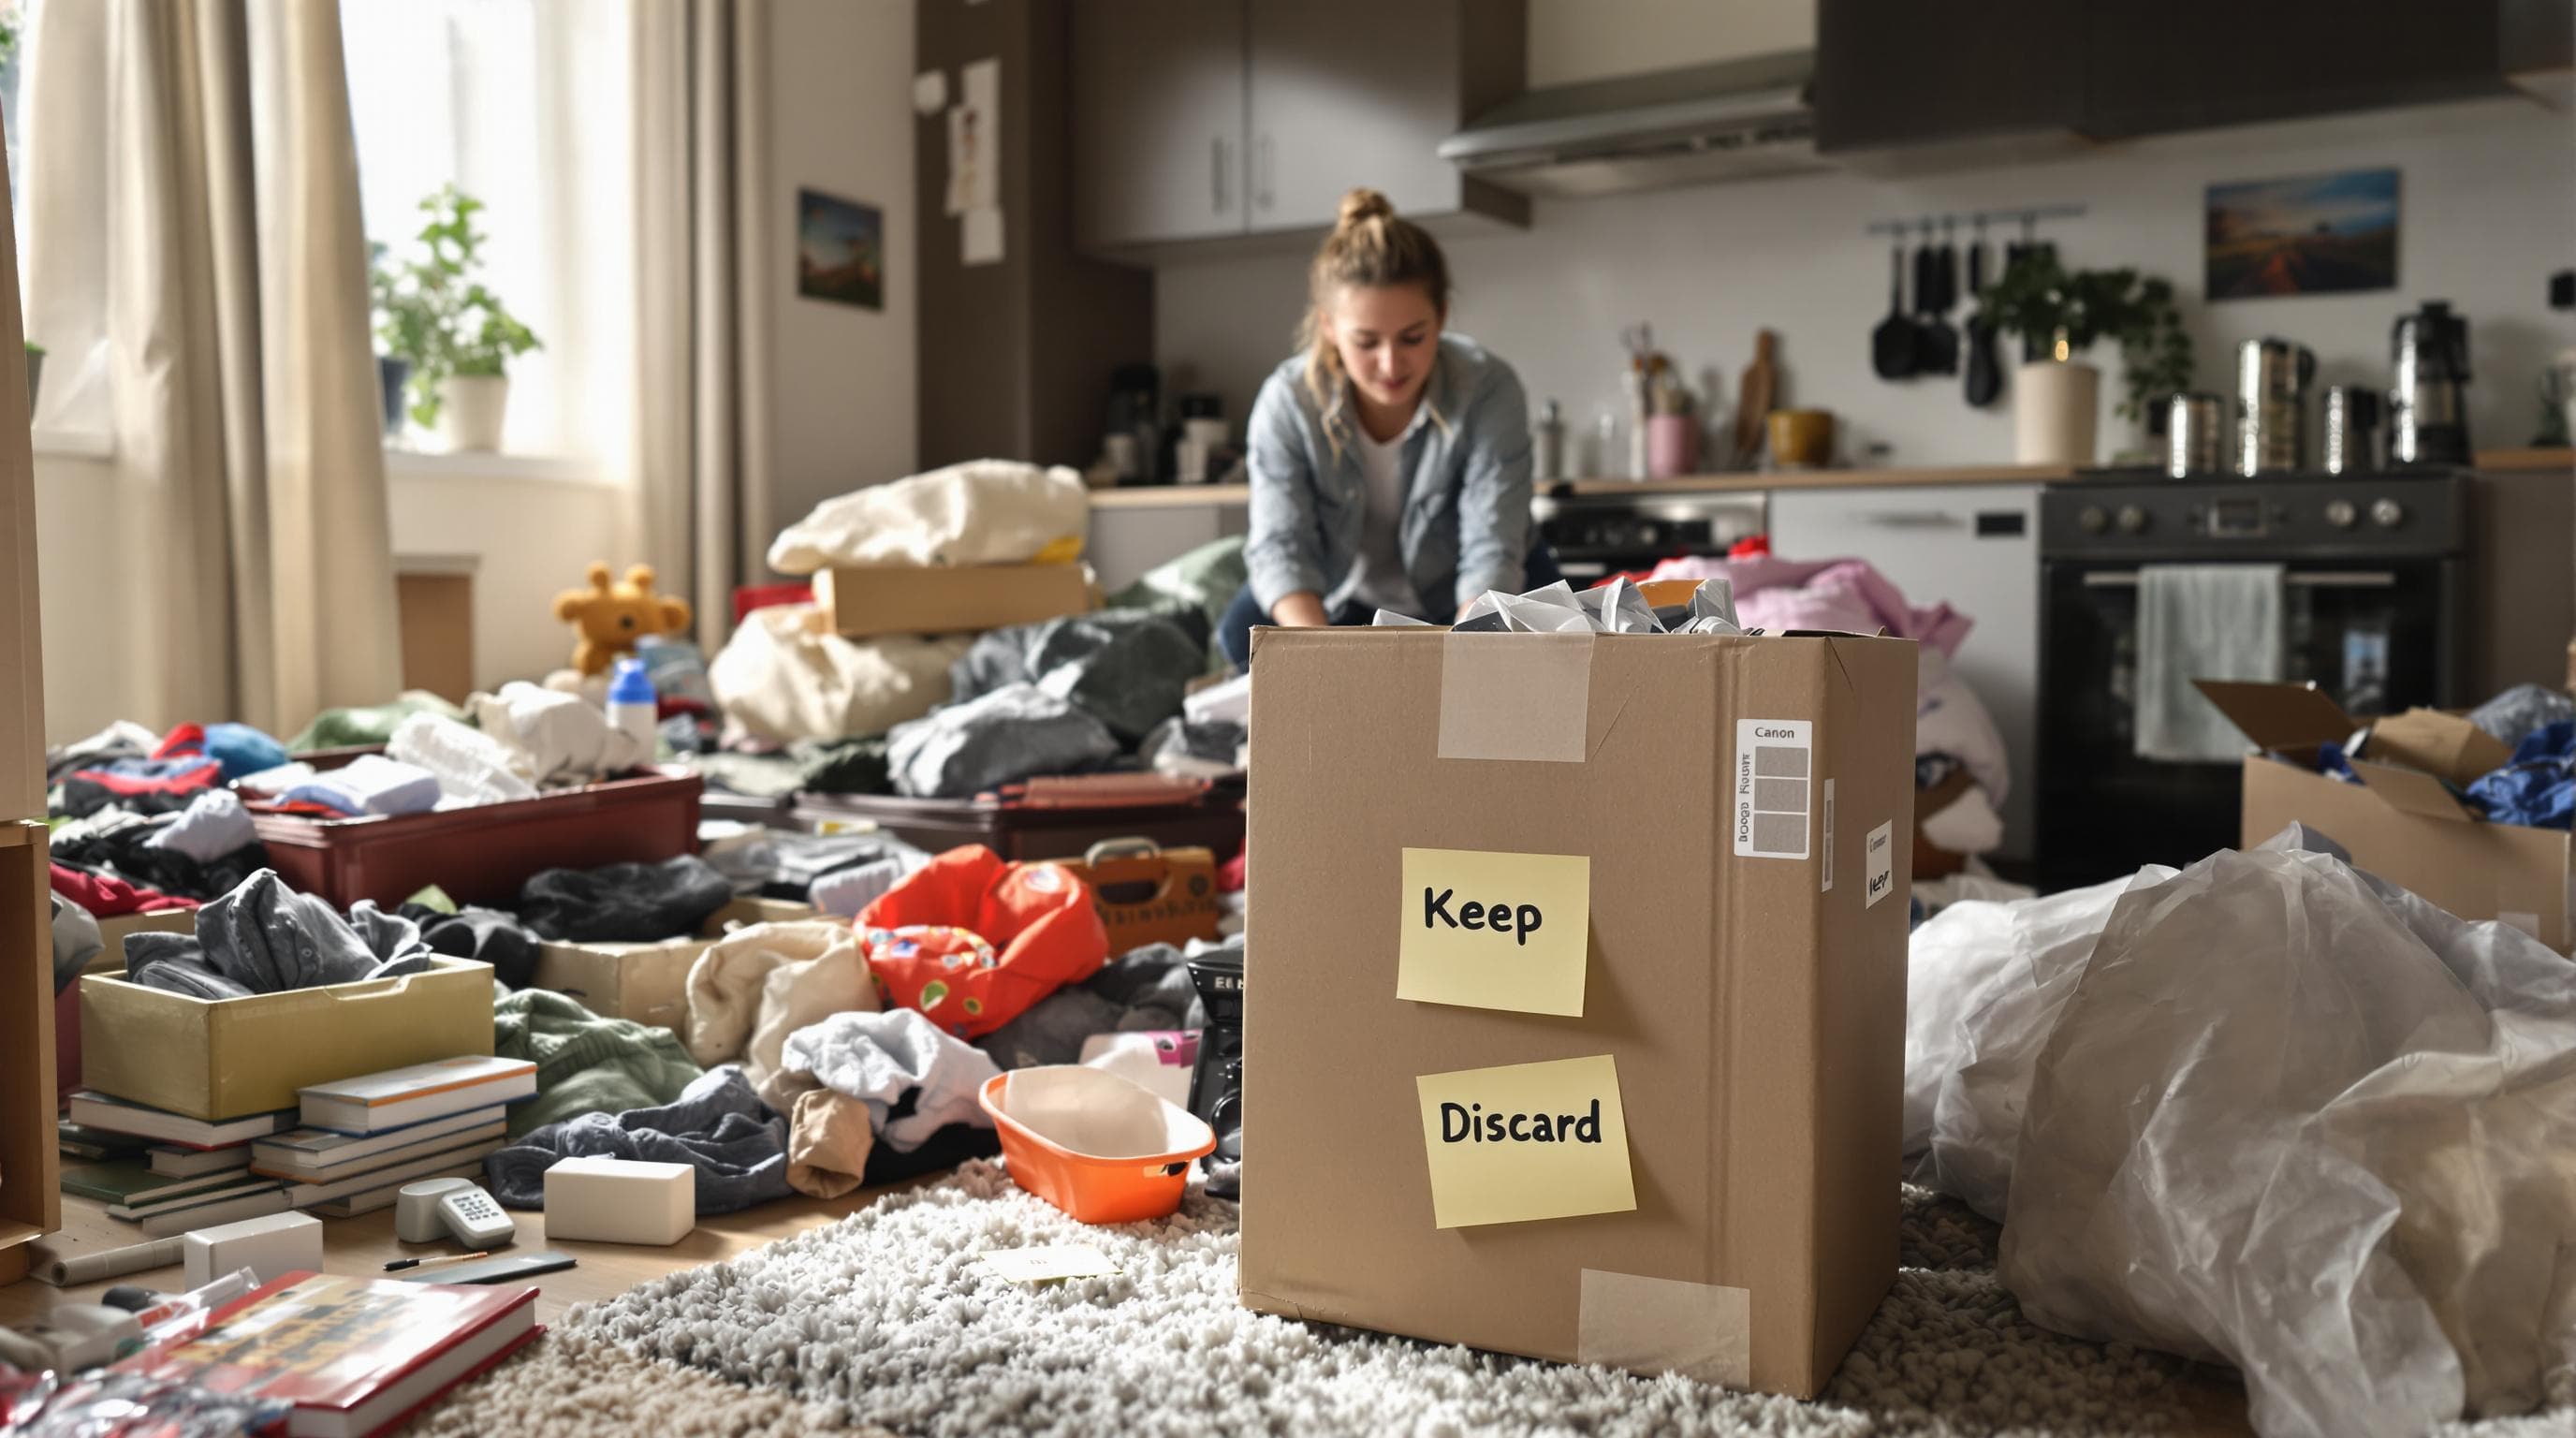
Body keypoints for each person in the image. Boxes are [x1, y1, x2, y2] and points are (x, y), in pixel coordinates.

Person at [1218, 188, 1558, 669]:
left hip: (1468, 590)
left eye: (1412, 338)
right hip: (1344, 595)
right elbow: (1281, 548)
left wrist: (1467, 665)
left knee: (1559, 662)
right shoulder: (1288, 401)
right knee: (1242, 639)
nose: (1390, 363)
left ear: (1441, 316)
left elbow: (1491, 546)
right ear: (1330, 327)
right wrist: (1319, 664)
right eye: (1366, 342)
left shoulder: (1488, 388)